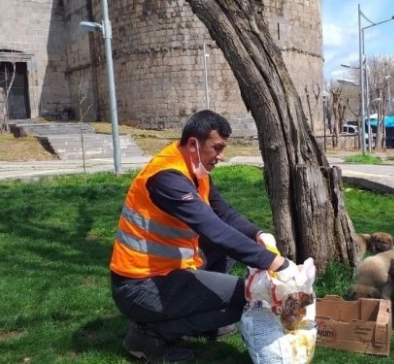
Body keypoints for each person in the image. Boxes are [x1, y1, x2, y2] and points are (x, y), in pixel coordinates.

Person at [109, 110, 297, 363]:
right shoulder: (167, 178)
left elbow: (224, 214)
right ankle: (150, 336)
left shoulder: (194, 172)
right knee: (250, 295)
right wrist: (276, 264)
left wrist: (258, 234)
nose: (221, 156)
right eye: (217, 148)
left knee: (233, 273)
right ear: (193, 144)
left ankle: (202, 320)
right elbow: (214, 229)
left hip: (165, 272)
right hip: (139, 287)